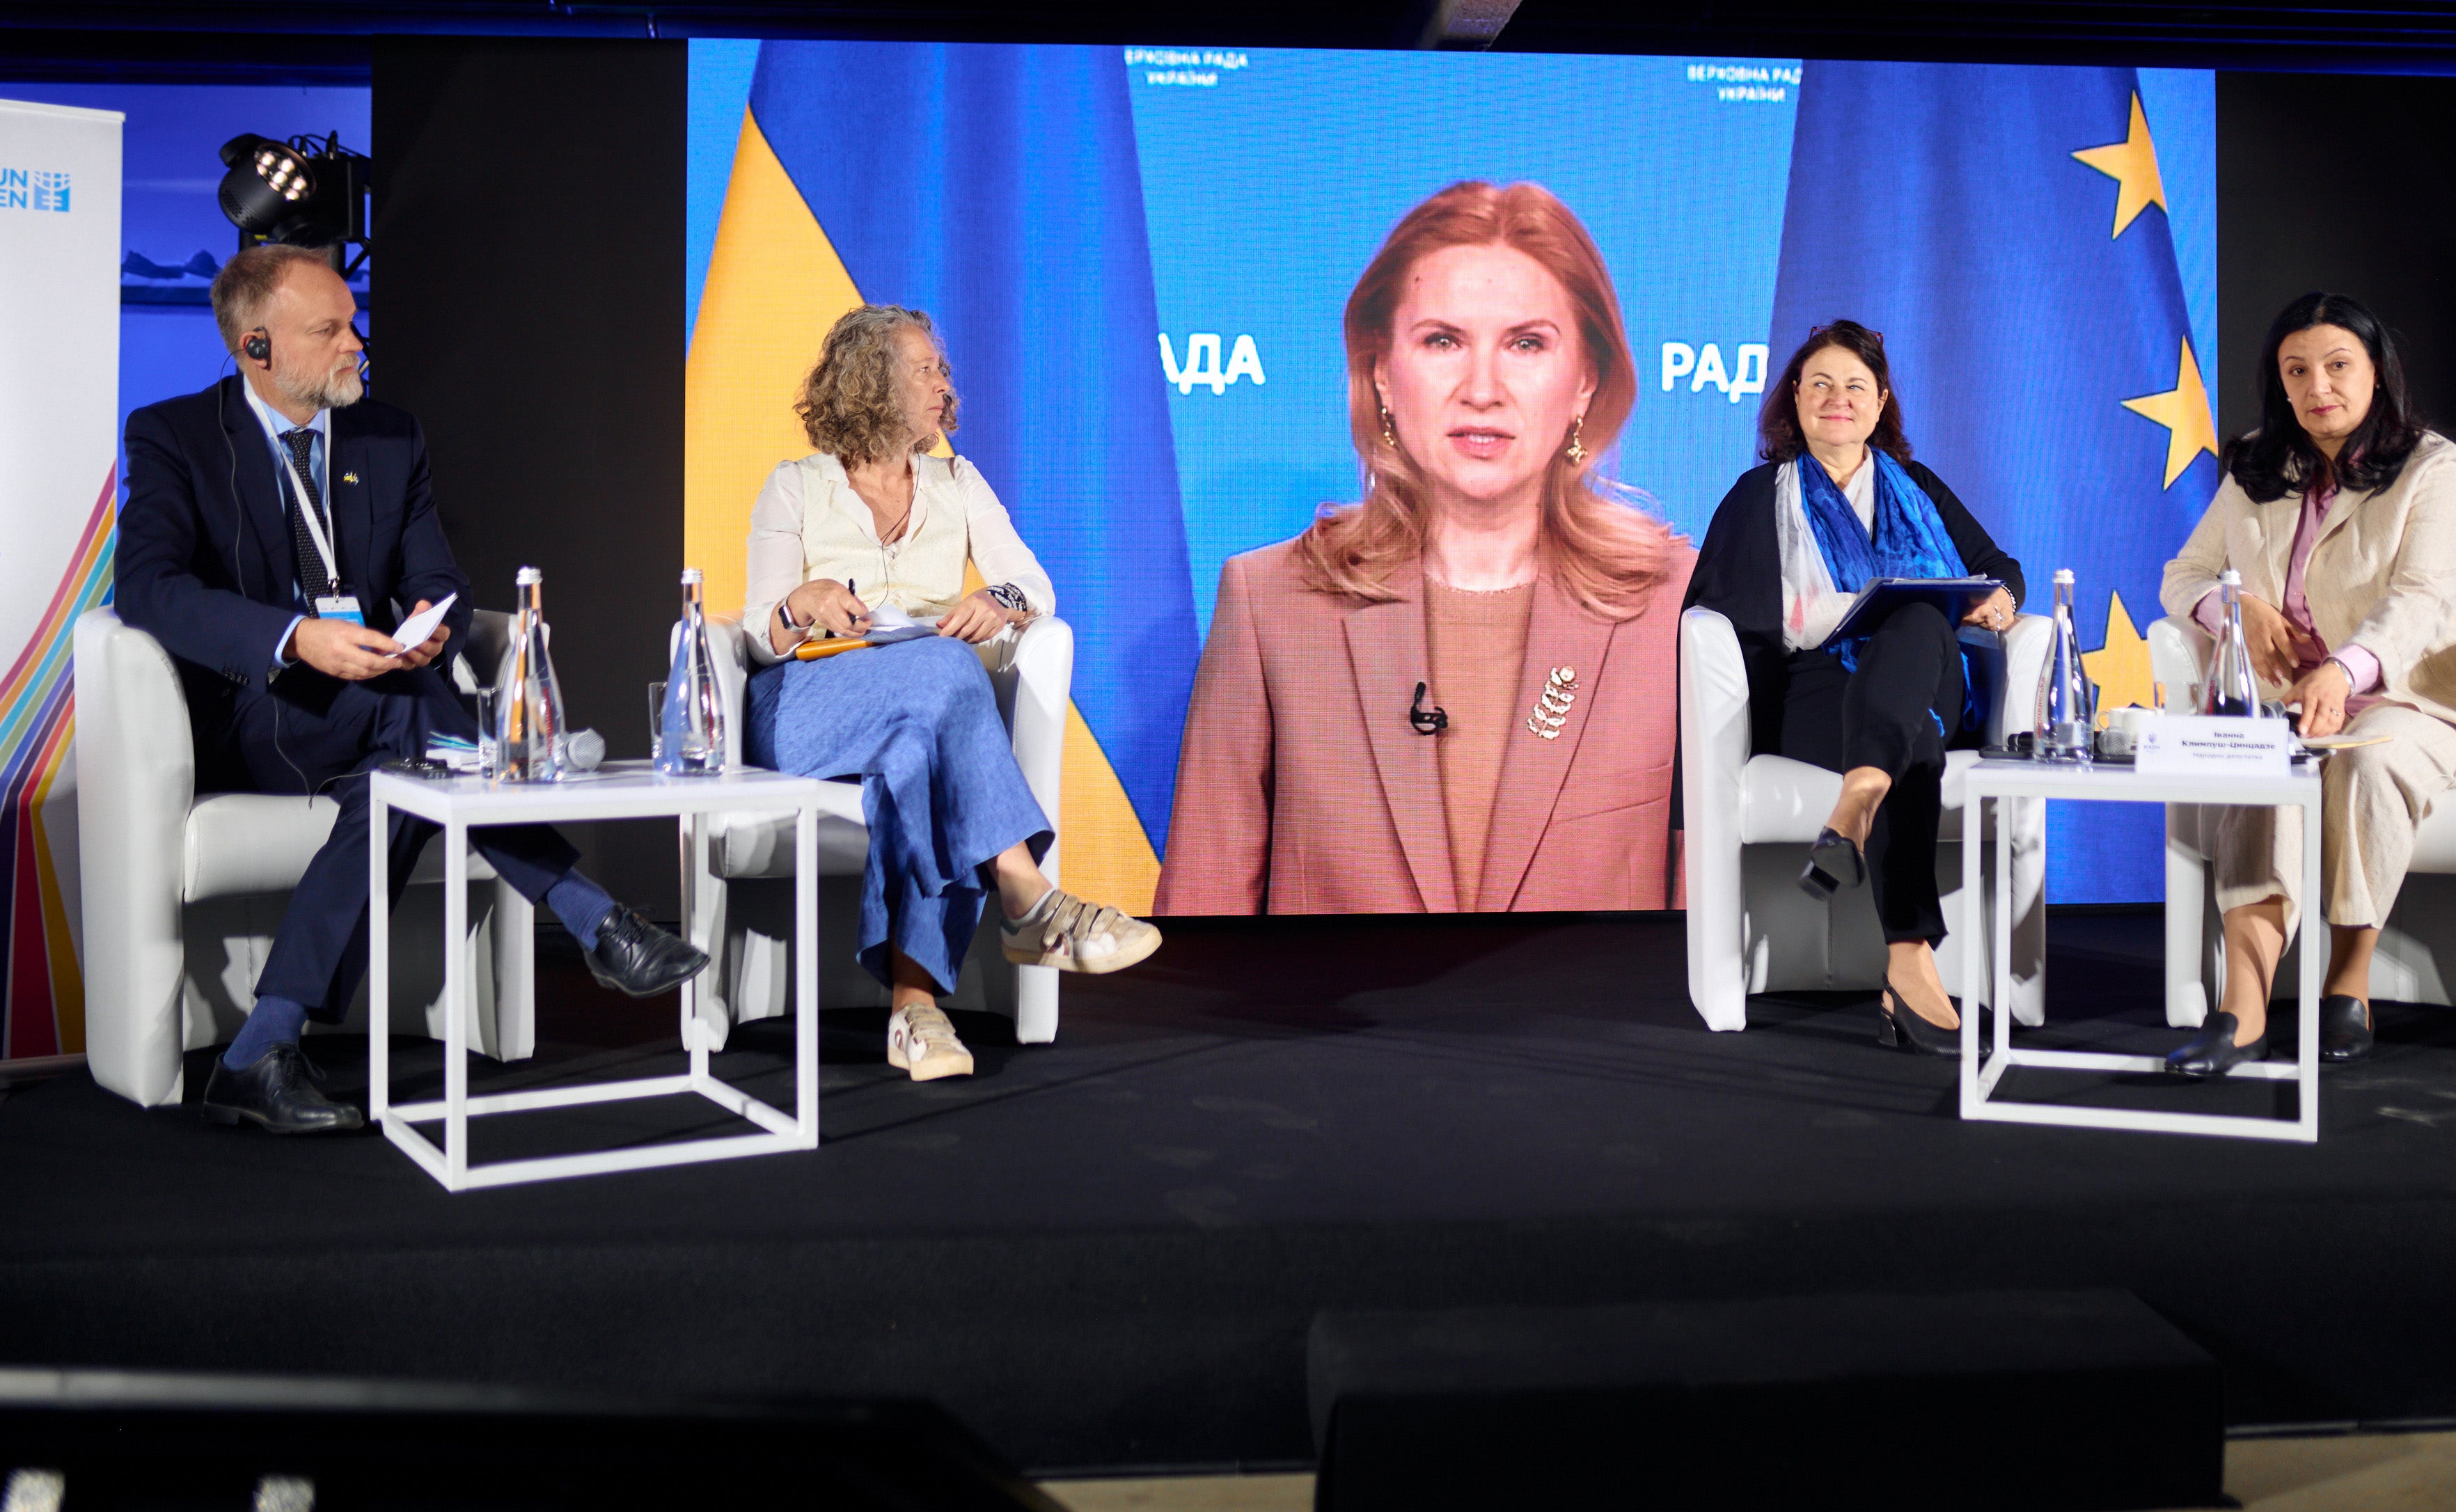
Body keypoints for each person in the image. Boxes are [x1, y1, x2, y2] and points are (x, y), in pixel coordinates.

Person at [113, 244, 709, 1136]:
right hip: (258, 709)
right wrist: (295, 637)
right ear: (257, 349)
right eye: (331, 330)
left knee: (398, 767)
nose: (358, 343)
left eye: (354, 322)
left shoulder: (390, 436)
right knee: (416, 723)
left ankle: (261, 1047)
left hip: (378, 714)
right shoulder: (176, 436)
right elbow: (148, 588)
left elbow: (439, 579)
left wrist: (432, 622)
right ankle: (579, 890)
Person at [1156, 180, 1692, 915]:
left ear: (1585, 382)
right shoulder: (1269, 604)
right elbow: (1202, 920)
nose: (1482, 389)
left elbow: (1720, 946)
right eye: (1443, 341)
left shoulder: (1680, 605)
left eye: (1526, 344)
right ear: (1380, 371)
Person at [741, 304, 1159, 1081]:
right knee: (949, 671)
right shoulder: (796, 487)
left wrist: (998, 599)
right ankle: (1026, 889)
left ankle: (915, 1010)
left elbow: (1032, 582)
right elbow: (755, 638)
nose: (945, 384)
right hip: (806, 706)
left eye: (943, 369)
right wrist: (805, 600)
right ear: (872, 382)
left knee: (915, 753)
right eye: (925, 369)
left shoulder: (956, 481)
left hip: (919, 708)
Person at [2158, 290, 2456, 1076]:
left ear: (2375, 372)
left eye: (2339, 366)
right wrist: (2228, 604)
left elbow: (2422, 595)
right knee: (2255, 766)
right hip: (2292, 701)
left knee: (2365, 764)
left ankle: (2348, 983)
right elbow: (2183, 573)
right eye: (2297, 371)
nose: (2319, 388)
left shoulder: (2431, 465)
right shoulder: (2254, 462)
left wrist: (2344, 672)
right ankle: (2241, 1011)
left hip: (2417, 695)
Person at [1685, 320, 2024, 1055]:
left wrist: (1996, 600)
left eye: (1855, 388)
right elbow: (1725, 615)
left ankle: (1857, 803)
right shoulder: (1758, 496)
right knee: (1913, 736)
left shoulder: (1919, 487)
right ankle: (1907, 957)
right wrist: (1834, 613)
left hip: (1926, 675)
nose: (1837, 400)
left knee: (1916, 624)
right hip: (1813, 695)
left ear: (1879, 406)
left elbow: (1997, 566)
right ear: (1793, 402)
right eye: (1820, 385)